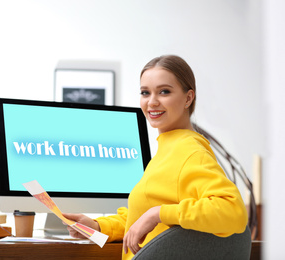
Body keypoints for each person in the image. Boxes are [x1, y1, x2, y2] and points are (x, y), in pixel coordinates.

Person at [63, 55, 248, 260]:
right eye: (145, 92)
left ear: (188, 98)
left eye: (164, 91)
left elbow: (233, 211)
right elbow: (142, 217)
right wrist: (98, 226)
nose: (152, 102)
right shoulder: (168, 149)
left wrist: (158, 213)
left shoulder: (189, 151)